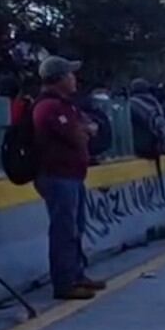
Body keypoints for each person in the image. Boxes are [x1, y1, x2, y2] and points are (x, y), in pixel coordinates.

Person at [32, 56, 106, 300]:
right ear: (59, 79)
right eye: (70, 75)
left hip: (72, 175)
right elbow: (79, 136)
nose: (74, 79)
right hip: (57, 176)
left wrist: (85, 129)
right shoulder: (48, 107)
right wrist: (84, 130)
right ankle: (64, 283)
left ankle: (76, 274)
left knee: (76, 228)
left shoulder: (66, 105)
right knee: (64, 230)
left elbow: (88, 129)